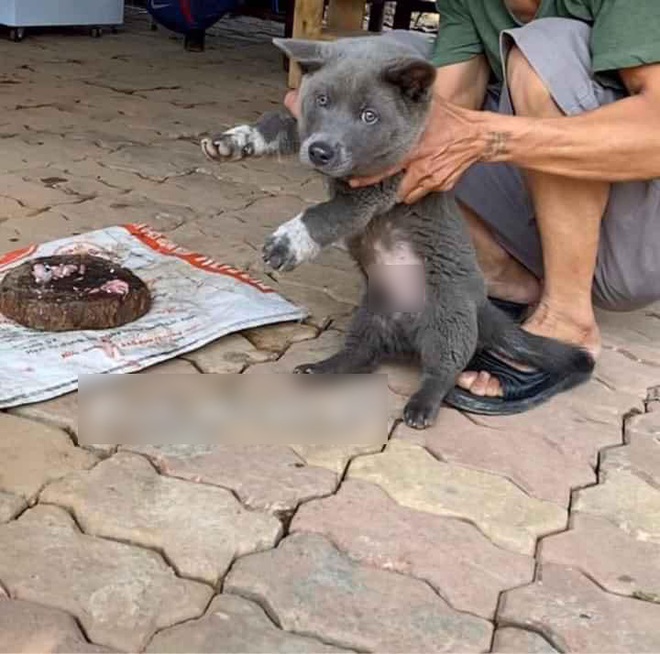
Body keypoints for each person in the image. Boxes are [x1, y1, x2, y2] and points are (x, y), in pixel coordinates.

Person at [285, 0, 660, 412]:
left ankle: (568, 316)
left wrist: (485, 137)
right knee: (385, 74)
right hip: (542, 208)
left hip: (633, 241)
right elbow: (447, 102)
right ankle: (504, 279)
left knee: (545, 49)